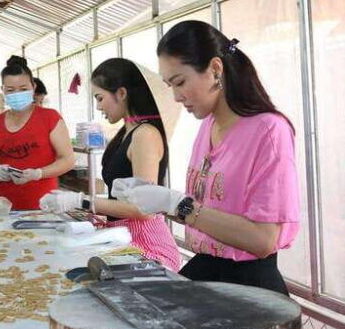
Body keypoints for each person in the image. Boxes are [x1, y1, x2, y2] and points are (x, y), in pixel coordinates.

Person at [115, 21, 299, 294]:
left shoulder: (269, 130)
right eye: (170, 86)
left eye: (180, 82)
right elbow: (206, 210)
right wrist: (158, 199)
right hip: (207, 269)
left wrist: (179, 205)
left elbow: (263, 240)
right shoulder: (207, 126)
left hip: (248, 285)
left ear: (215, 69)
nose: (177, 96)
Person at [89, 58, 180, 271]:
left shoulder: (145, 135)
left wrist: (86, 203)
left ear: (121, 94)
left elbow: (143, 208)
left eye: (100, 98)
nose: (98, 106)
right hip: (123, 235)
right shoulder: (125, 132)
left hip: (146, 242)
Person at [0, 56, 75, 210]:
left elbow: (68, 160)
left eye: (23, 89)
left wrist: (38, 173)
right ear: (3, 90)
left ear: (33, 87)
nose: (17, 94)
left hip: (45, 207)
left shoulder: (50, 118)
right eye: (10, 90)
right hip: (6, 208)